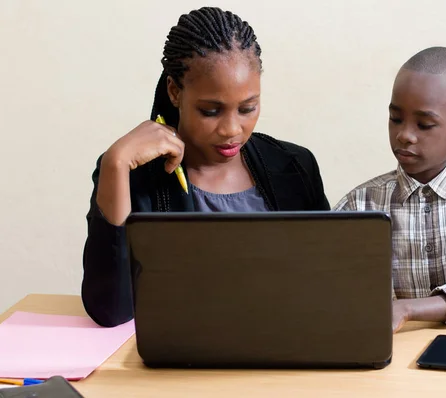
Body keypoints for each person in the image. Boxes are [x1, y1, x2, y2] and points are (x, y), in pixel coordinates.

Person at [82, 7, 330, 327]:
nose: (231, 129)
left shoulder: (294, 166)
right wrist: (115, 165)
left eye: (247, 108)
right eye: (211, 111)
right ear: (175, 91)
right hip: (181, 360)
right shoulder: (135, 176)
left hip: (282, 351)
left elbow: (325, 283)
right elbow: (110, 311)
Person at [334, 47, 446, 331]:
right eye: (395, 119)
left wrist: (405, 309)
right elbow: (336, 289)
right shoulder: (359, 205)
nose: (404, 135)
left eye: (424, 124)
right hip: (391, 353)